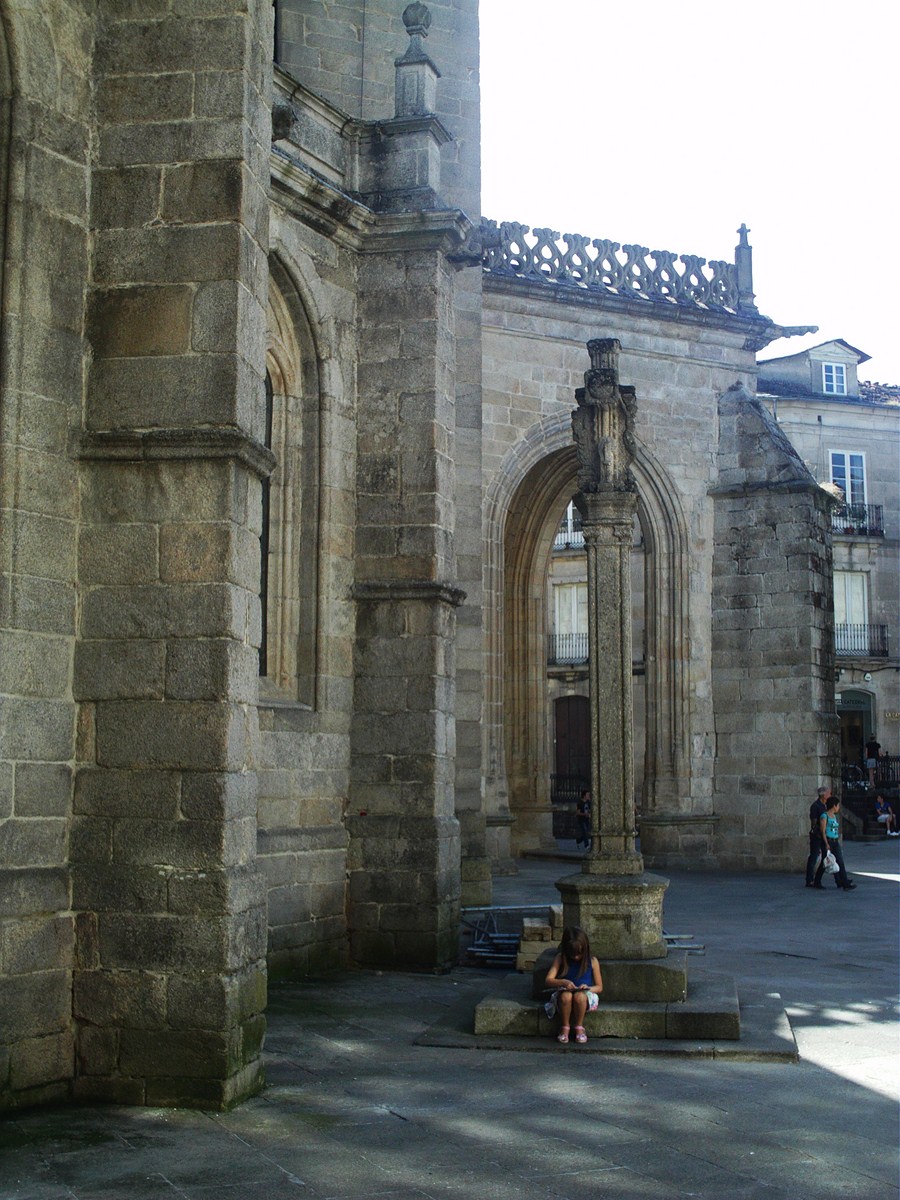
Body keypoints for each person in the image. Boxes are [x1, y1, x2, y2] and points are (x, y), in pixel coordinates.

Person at [544, 926, 603, 1045]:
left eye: (579, 954)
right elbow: (548, 980)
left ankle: (579, 1027)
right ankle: (565, 1026)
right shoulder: (560, 958)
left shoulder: (592, 961)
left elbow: (599, 987)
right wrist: (563, 982)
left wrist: (587, 988)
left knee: (579, 997)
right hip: (564, 993)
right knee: (566, 996)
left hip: (584, 995)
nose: (576, 957)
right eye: (572, 954)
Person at [813, 795, 856, 890]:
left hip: (835, 841)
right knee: (825, 862)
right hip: (828, 841)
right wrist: (826, 843)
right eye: (838, 805)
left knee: (840, 862)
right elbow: (823, 831)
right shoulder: (824, 816)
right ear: (834, 806)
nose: (838, 807)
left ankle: (844, 883)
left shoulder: (834, 817)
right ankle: (817, 881)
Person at [805, 785, 830, 887]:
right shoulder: (816, 806)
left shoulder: (825, 805)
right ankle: (809, 879)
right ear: (823, 795)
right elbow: (813, 822)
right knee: (814, 856)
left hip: (824, 834)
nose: (829, 795)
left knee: (825, 856)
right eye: (828, 793)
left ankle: (817, 879)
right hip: (817, 835)